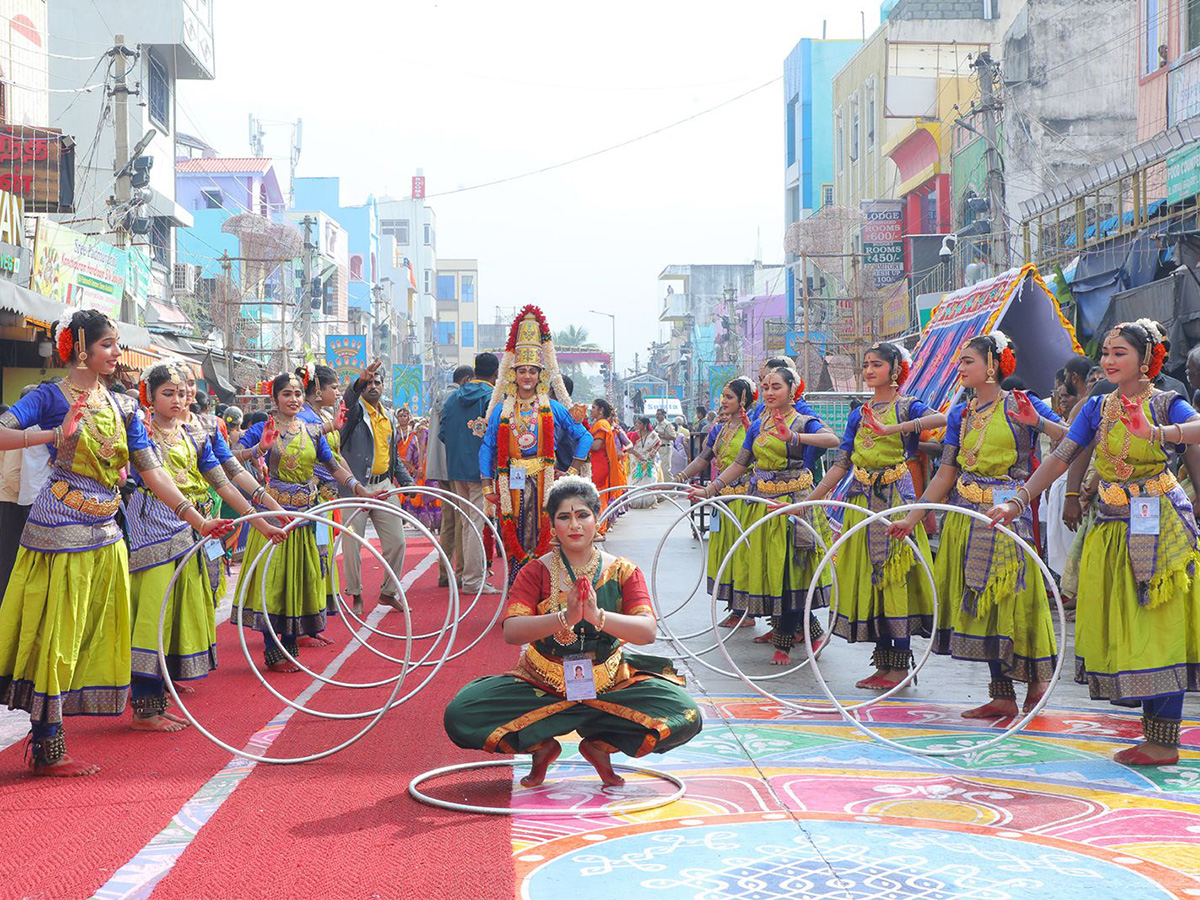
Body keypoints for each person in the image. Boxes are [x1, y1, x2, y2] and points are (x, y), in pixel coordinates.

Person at [0, 309, 231, 776]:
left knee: (95, 633)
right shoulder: (49, 395)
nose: (115, 352)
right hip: (59, 530)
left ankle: (88, 725)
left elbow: (152, 470)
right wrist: (52, 434)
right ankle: (47, 747)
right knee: (58, 635)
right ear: (80, 346)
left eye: (117, 343)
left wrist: (196, 519)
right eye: (107, 343)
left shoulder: (124, 406)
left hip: (109, 533)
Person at [989, 319, 1200, 766]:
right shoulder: (1096, 406)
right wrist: (1019, 501)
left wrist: (1157, 435)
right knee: (1128, 626)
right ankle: (1154, 736)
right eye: (1105, 352)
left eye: (1119, 353)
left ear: (1146, 360)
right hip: (1109, 527)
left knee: (1157, 626)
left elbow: (1197, 428)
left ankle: (1163, 741)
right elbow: (1065, 455)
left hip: (1159, 526)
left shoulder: (1165, 404)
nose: (1107, 361)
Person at [443, 477, 702, 786]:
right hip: (542, 685)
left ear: (596, 519)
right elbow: (512, 631)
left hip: (610, 684)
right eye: (564, 517)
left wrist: (597, 616)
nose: (575, 525)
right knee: (460, 714)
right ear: (553, 526)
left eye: (583, 515)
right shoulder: (535, 570)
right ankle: (540, 746)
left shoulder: (622, 570)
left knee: (686, 715)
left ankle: (600, 744)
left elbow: (647, 631)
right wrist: (565, 617)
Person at [891, 331, 1065, 717]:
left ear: (993, 365)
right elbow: (945, 472)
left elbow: (1072, 441)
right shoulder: (960, 413)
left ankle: (1036, 682)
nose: (960, 367)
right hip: (966, 518)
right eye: (960, 361)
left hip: (1006, 515)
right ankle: (1001, 694)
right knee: (980, 604)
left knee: (1014, 599)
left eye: (968, 360)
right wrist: (913, 516)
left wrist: (1039, 422)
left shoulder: (1023, 403)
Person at [126, 362, 285, 732]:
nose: (178, 400)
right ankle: (144, 706)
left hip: (193, 528)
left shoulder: (195, 432)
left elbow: (224, 480)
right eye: (168, 393)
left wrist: (262, 520)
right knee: (152, 612)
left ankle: (157, 694)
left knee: (179, 610)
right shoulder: (142, 428)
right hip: (152, 527)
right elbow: (155, 476)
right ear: (150, 395)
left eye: (182, 392)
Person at [808, 342, 945, 689]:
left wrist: (895, 429)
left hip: (895, 500)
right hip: (862, 502)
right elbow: (842, 463)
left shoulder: (907, 407)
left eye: (877, 365)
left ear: (895, 369)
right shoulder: (858, 413)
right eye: (865, 365)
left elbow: (942, 418)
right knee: (870, 578)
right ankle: (883, 663)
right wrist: (809, 500)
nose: (869, 370)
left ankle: (900, 664)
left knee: (894, 578)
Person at [235, 372, 384, 671]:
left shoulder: (313, 430)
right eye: (286, 394)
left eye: (297, 394)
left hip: (304, 517)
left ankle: (289, 644)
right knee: (272, 583)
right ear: (274, 398)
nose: (293, 400)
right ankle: (272, 649)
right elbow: (230, 458)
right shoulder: (264, 426)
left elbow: (333, 464)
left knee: (298, 582)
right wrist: (260, 449)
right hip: (275, 519)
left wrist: (359, 490)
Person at [691, 365, 840, 665]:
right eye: (767, 386)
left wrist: (795, 438)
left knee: (791, 573)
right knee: (771, 572)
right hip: (761, 504)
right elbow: (741, 463)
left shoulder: (804, 421)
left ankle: (784, 644)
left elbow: (832, 441)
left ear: (792, 390)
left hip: (794, 504)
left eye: (777, 387)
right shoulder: (758, 425)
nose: (770, 392)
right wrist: (710, 490)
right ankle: (802, 631)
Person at [480, 305, 591, 581]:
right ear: (512, 374)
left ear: (540, 375)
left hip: (545, 480)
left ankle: (547, 591)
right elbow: (487, 447)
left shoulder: (552, 407)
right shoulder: (501, 411)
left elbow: (584, 436)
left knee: (548, 533)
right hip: (512, 482)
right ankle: (518, 590)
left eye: (532, 371)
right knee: (515, 534)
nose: (527, 376)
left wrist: (573, 470)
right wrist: (486, 487)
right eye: (522, 371)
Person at [677, 377, 755, 628]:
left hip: (743, 499)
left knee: (742, 555)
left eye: (729, 397)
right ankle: (734, 607)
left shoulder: (751, 427)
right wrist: (679, 478)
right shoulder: (718, 429)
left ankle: (746, 611)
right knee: (725, 555)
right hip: (722, 500)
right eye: (722, 396)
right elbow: (703, 458)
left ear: (743, 400)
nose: (723, 401)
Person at [338, 358, 414, 612]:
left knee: (397, 542)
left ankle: (388, 592)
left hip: (384, 485)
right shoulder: (354, 413)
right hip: (355, 488)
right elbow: (349, 399)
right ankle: (355, 593)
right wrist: (358, 381)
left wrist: (407, 482)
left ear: (383, 386)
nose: (373, 386)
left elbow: (393, 457)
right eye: (368, 382)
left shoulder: (389, 416)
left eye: (377, 382)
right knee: (352, 543)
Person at [439, 352, 499, 595]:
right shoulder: (492, 398)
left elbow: (443, 433)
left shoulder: (453, 397)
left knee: (466, 522)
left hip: (456, 468)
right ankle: (473, 581)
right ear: (496, 374)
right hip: (481, 471)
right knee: (475, 523)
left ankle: (467, 576)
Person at [298, 363, 350, 627]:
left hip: (325, 499)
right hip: (309, 500)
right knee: (312, 560)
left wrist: (355, 486)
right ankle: (306, 621)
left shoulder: (321, 417)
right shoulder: (305, 419)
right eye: (334, 387)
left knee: (322, 556)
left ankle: (314, 619)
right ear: (317, 389)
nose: (337, 392)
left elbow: (335, 458)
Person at [431, 366, 472, 588]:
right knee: (462, 519)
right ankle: (461, 572)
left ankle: (444, 572)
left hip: (439, 465)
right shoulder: (459, 397)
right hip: (455, 465)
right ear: (466, 379)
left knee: (449, 521)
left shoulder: (439, 396)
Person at [587, 397, 626, 531]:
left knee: (599, 494)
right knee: (600, 494)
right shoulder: (603, 424)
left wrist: (582, 441)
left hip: (599, 465)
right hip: (601, 464)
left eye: (593, 407)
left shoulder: (601, 424)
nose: (591, 410)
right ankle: (601, 525)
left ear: (601, 410)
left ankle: (600, 527)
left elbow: (597, 446)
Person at [626, 416, 663, 507]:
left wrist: (654, 451)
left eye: (639, 423)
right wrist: (638, 455)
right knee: (636, 479)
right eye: (636, 423)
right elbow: (629, 448)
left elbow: (659, 443)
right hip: (637, 461)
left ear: (645, 425)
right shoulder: (633, 435)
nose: (637, 425)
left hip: (649, 461)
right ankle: (635, 502)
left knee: (649, 479)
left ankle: (649, 501)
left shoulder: (652, 435)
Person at [653, 409, 676, 480]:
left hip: (665, 448)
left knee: (665, 469)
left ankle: (671, 486)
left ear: (663, 415)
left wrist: (661, 436)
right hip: (659, 449)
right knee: (659, 468)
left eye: (659, 414)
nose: (657, 416)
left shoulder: (668, 425)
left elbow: (673, 437)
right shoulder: (657, 425)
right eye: (657, 414)